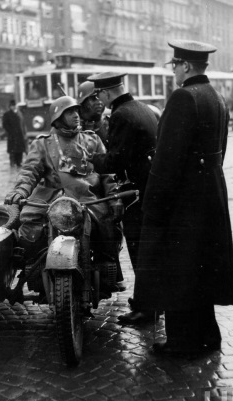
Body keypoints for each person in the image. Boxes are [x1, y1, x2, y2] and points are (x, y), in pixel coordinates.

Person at [132, 39, 233, 357]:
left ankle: (181, 342)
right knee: (201, 269)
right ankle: (208, 335)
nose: (174, 70)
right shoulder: (215, 97)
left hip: (183, 203)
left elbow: (166, 161)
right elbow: (220, 148)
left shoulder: (182, 97)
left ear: (186, 66)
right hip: (210, 196)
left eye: (175, 65)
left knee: (176, 270)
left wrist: (153, 205)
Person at [4, 96, 124, 296]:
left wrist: (114, 196)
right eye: (70, 112)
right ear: (58, 118)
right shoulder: (42, 144)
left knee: (108, 228)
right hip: (50, 200)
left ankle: (108, 273)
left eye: (77, 111)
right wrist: (20, 191)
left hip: (86, 199)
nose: (76, 116)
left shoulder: (92, 139)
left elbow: (107, 174)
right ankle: (35, 270)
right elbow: (29, 172)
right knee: (29, 228)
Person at [86, 71, 159, 324]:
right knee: (146, 250)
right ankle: (148, 301)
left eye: (100, 95)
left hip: (136, 192)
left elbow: (116, 160)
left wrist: (90, 159)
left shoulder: (120, 115)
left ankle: (146, 310)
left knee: (139, 251)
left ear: (106, 93)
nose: (100, 101)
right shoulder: (140, 108)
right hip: (149, 187)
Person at [77, 81, 109, 145]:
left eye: (101, 97)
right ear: (83, 101)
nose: (99, 102)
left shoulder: (110, 125)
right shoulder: (71, 126)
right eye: (93, 98)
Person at [2, 99, 27, 168]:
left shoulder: (18, 114)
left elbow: (22, 124)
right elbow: (5, 125)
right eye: (12, 106)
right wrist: (10, 132)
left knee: (20, 150)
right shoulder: (7, 115)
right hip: (12, 136)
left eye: (14, 106)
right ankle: (12, 163)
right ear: (10, 107)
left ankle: (19, 162)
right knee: (12, 151)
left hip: (19, 135)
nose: (13, 107)